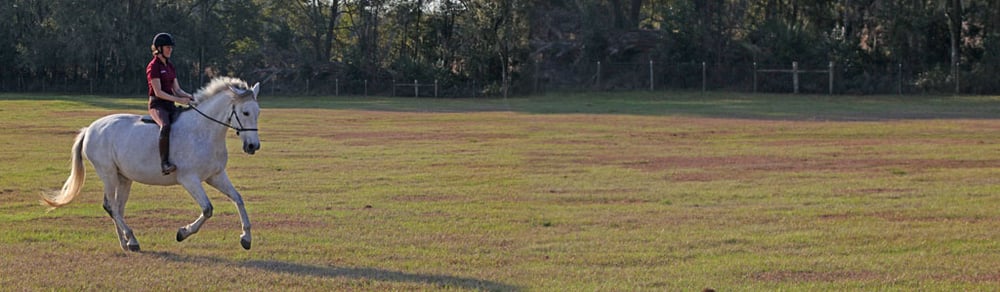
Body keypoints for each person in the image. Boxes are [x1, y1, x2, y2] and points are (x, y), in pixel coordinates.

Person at [147, 32, 194, 175]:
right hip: (157, 105)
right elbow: (158, 92)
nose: (170, 50)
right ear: (159, 48)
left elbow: (177, 89)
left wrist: (190, 96)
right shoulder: (153, 66)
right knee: (165, 126)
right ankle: (164, 164)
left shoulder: (170, 66)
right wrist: (179, 100)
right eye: (168, 47)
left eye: (171, 47)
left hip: (170, 105)